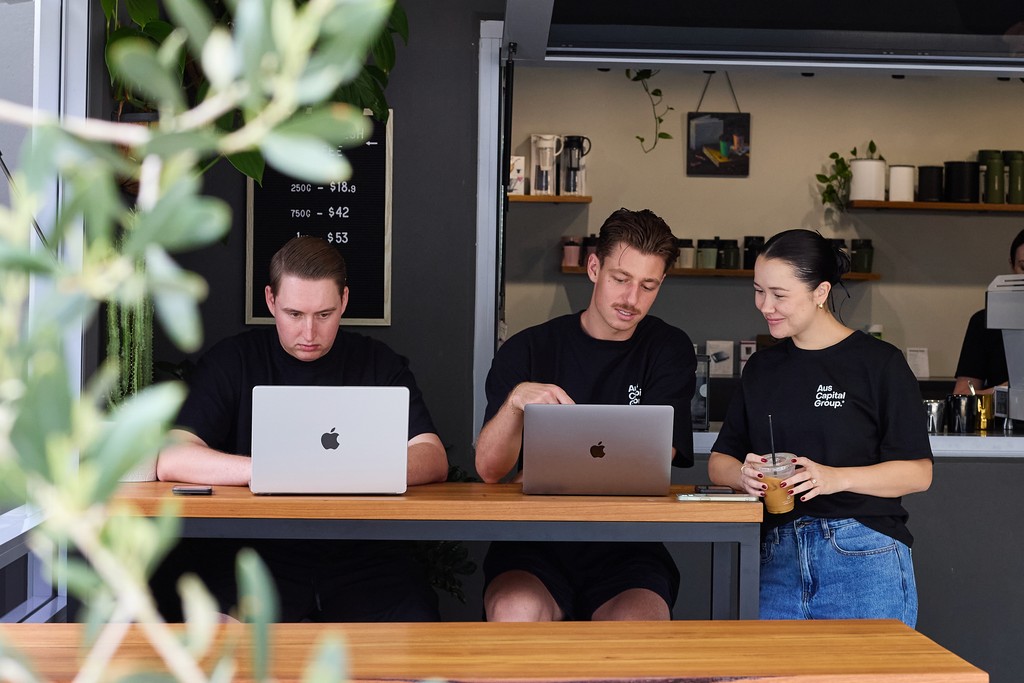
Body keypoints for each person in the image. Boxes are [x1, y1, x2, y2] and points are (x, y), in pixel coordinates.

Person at [154, 236, 449, 622]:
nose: (309, 333)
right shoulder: (234, 361)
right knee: (218, 633)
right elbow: (173, 457)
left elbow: (433, 455)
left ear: (344, 301)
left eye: (324, 315)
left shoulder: (377, 363)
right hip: (256, 553)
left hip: (363, 554)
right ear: (271, 301)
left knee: (414, 633)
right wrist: (270, 471)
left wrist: (353, 472)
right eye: (294, 314)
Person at [476, 208, 696, 622]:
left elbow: (653, 460)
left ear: (661, 284)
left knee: (639, 631)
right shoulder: (528, 349)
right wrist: (514, 404)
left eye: (648, 286)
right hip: (533, 542)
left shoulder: (669, 349)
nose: (632, 299)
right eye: (621, 279)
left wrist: (540, 475)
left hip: (627, 545)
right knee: (515, 611)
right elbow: (489, 470)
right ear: (594, 268)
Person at [708, 229, 932, 627]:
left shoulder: (879, 363)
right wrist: (743, 476)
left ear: (820, 291)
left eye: (780, 294)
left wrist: (832, 478)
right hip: (775, 556)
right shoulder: (762, 368)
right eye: (759, 291)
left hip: (863, 555)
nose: (765, 305)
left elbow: (918, 473)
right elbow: (720, 461)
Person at [953, 228, 1024, 395]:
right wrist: (1007, 390)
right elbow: (962, 393)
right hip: (1001, 420)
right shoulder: (984, 321)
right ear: (1012, 266)